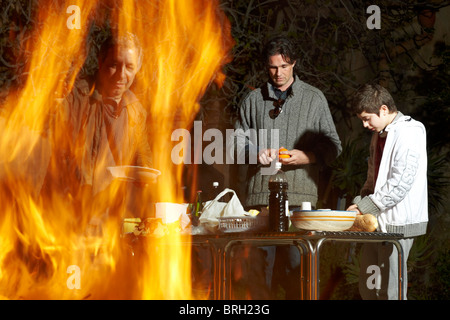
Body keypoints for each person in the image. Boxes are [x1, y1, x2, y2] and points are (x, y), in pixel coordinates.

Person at [229, 36, 342, 298]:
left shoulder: (314, 98)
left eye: (284, 66)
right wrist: (255, 153)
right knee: (258, 274)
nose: (278, 73)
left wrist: (307, 156)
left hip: (300, 203)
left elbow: (334, 146)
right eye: (272, 67)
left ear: (294, 64)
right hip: (260, 203)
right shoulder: (253, 99)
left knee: (297, 272)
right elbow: (235, 144)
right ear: (266, 67)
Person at [41, 31, 153, 220]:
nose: (121, 75)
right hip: (65, 216)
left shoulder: (136, 111)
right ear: (101, 63)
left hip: (109, 219)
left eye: (129, 67)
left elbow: (143, 157)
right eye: (113, 65)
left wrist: (145, 175)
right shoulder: (75, 97)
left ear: (137, 69)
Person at [347, 83, 428, 300]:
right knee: (369, 287)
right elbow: (373, 177)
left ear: (383, 109)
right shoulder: (380, 133)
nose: (364, 125)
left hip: (398, 224)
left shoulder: (410, 131)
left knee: (391, 291)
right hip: (376, 222)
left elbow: (400, 183)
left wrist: (363, 207)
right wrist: (360, 201)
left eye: (367, 118)